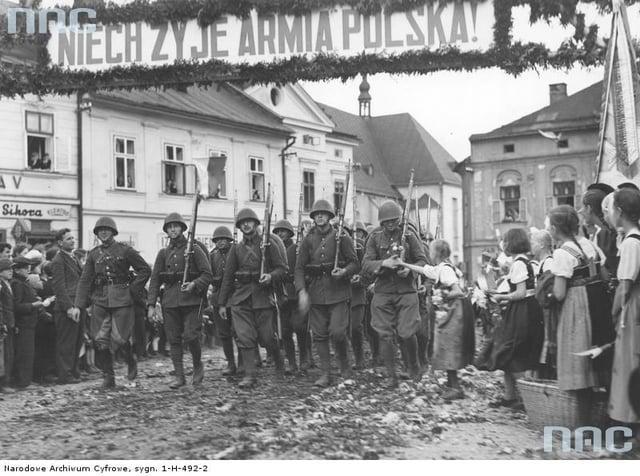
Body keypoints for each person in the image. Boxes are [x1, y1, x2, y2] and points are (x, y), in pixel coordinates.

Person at [547, 205, 613, 419]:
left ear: (555, 229)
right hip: (599, 305)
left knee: (579, 365)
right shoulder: (590, 244)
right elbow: (605, 276)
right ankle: (611, 419)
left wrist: (547, 295)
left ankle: (583, 424)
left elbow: (559, 293)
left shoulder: (562, 253)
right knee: (602, 363)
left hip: (577, 309)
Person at [71, 217, 151, 389]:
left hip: (122, 299)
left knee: (119, 339)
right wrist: (78, 305)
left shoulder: (125, 250)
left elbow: (145, 270)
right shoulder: (94, 254)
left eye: (106, 230)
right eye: (100, 230)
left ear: (113, 232)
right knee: (99, 340)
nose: (103, 233)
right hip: (100, 299)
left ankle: (130, 359)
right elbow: (85, 280)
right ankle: (109, 376)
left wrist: (133, 289)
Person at [394, 239, 475, 400]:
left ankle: (455, 387)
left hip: (453, 313)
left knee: (448, 347)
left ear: (436, 253)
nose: (428, 254)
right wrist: (403, 264)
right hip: (449, 313)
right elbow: (424, 269)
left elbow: (458, 291)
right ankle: (452, 384)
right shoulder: (441, 267)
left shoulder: (445, 270)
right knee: (446, 347)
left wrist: (442, 295)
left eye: (431, 251)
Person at [218, 208, 287, 389]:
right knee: (244, 336)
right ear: (239, 227)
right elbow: (228, 277)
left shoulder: (268, 244)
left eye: (249, 222)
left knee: (267, 338)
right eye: (242, 223)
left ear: (256, 224)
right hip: (241, 298)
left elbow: (282, 269)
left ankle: (278, 361)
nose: (246, 225)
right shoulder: (236, 249)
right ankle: (250, 375)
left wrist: (270, 276)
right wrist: (222, 303)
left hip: (262, 297)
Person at [362, 201, 427, 388]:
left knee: (407, 333)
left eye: (394, 220)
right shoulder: (374, 238)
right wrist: (384, 263)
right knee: (384, 335)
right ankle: (392, 376)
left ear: (399, 220)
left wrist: (409, 270)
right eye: (386, 221)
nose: (390, 224)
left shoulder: (409, 235)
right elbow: (366, 264)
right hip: (383, 291)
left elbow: (422, 261)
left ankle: (413, 367)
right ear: (381, 222)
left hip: (406, 291)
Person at [295, 200, 359, 387]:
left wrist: (344, 271)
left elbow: (355, 263)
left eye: (323, 213)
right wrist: (301, 291)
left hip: (338, 292)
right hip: (316, 292)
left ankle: (344, 364)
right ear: (313, 217)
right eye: (317, 214)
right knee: (319, 335)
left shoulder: (341, 237)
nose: (320, 216)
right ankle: (325, 373)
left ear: (330, 216)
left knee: (338, 332)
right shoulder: (308, 240)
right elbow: (299, 268)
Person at [147, 213, 212, 389]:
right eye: (169, 227)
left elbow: (207, 274)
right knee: (173, 339)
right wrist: (151, 304)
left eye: (176, 226)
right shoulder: (163, 253)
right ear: (166, 231)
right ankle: (179, 376)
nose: (173, 229)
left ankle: (197, 365)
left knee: (191, 336)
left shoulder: (194, 249)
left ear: (182, 229)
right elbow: (155, 280)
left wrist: (194, 284)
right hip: (170, 301)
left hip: (192, 301)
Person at [487, 228, 544, 409]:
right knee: (508, 353)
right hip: (523, 308)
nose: (502, 244)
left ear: (511, 243)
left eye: (505, 241)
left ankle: (526, 399)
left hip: (522, 311)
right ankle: (510, 395)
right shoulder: (523, 261)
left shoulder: (519, 263)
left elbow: (520, 293)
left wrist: (501, 297)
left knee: (512, 353)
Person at [607, 188, 640, 425]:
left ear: (619, 211)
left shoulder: (631, 243)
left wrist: (614, 311)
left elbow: (625, 285)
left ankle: (628, 417)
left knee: (629, 359)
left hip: (633, 305)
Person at [50, 228, 83, 384]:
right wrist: (69, 307)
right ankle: (65, 374)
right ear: (60, 242)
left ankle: (74, 371)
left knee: (77, 340)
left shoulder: (74, 258)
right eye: (68, 239)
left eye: (73, 238)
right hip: (66, 308)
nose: (72, 241)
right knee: (66, 343)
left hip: (78, 305)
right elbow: (59, 287)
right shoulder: (58, 260)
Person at [273, 219, 306, 374]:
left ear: (290, 233)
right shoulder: (274, 249)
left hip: (295, 291)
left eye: (283, 231)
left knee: (300, 328)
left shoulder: (296, 248)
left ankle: (304, 359)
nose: (280, 234)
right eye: (278, 231)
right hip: (281, 293)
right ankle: (292, 363)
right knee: (285, 332)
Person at [11, 256, 45, 389]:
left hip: (29, 323)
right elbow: (17, 306)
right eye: (25, 268)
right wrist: (33, 305)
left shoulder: (23, 282)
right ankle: (23, 381)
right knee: (24, 353)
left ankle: (26, 379)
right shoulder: (17, 284)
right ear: (17, 270)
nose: (28, 270)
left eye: (28, 267)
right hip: (23, 323)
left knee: (28, 353)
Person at [209, 226, 238, 376]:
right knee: (224, 334)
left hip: (235, 296)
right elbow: (207, 273)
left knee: (239, 332)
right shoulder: (212, 256)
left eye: (223, 239)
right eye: (217, 240)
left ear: (229, 240)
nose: (220, 242)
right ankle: (231, 363)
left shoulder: (236, 252)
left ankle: (244, 363)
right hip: (218, 296)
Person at [0, 258, 15, 393]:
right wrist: (3, 323)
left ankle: (7, 382)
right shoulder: (1, 285)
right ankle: (3, 384)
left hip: (9, 322)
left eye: (11, 269)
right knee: (4, 355)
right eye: (7, 269)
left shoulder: (7, 284)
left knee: (8, 353)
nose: (11, 271)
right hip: (3, 323)